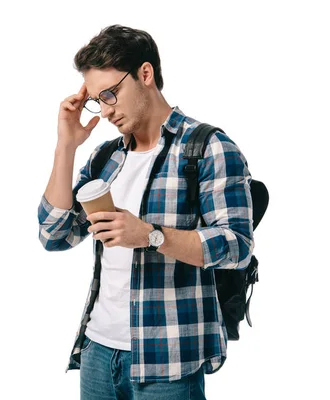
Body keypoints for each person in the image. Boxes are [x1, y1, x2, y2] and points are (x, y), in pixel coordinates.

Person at [37, 25, 254, 400]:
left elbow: (237, 246)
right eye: (97, 100)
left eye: (110, 94)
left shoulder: (208, 147)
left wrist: (150, 236)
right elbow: (54, 235)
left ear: (145, 74)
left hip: (168, 359)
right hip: (97, 354)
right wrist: (66, 146)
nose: (105, 111)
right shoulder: (107, 158)